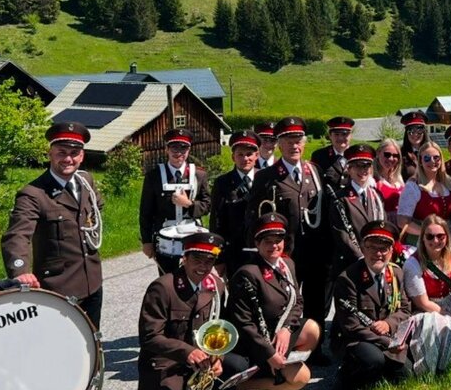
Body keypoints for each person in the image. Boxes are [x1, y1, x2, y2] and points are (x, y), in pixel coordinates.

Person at [132, 232, 249, 390]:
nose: (203, 266)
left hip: (198, 362)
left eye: (209, 261)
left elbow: (219, 326)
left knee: (238, 364)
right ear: (184, 258)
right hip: (166, 367)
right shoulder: (163, 287)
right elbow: (150, 337)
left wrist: (217, 356)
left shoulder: (216, 286)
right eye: (197, 259)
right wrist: (187, 352)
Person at [244, 117, 331, 364]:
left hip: (314, 252)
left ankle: (315, 349)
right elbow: (254, 218)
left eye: (298, 140)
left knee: (316, 303)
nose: (295, 146)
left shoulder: (314, 172)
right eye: (289, 141)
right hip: (284, 254)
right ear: (279, 144)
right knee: (283, 304)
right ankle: (281, 351)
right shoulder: (267, 176)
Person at [3, 122, 105, 328]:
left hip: (92, 281)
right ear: (50, 153)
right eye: (61, 152)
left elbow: (97, 206)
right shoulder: (33, 194)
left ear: (82, 156)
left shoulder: (86, 180)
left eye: (74, 153)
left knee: (93, 340)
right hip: (59, 288)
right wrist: (20, 271)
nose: (68, 159)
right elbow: (17, 235)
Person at [226, 214, 321, 390]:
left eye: (278, 241)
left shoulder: (287, 263)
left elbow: (297, 301)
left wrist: (287, 329)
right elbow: (244, 323)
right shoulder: (247, 273)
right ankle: (243, 386)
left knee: (312, 329)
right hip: (257, 341)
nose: (274, 246)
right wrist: (269, 353)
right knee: (301, 379)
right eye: (267, 241)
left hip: (279, 333)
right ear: (257, 243)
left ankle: (281, 374)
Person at [331, 221, 412, 390]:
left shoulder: (396, 274)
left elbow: (405, 310)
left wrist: (388, 324)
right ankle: (345, 380)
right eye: (372, 247)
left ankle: (377, 376)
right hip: (357, 340)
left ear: (391, 251)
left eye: (383, 249)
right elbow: (352, 327)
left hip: (387, 337)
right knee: (373, 360)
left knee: (406, 376)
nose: (378, 253)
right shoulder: (348, 279)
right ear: (363, 248)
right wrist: (388, 342)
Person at [403, 215, 451, 375]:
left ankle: (449, 367)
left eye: (440, 236)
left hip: (450, 305)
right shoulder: (413, 264)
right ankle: (429, 370)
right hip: (425, 312)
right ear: (422, 238)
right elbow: (423, 303)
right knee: (437, 325)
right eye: (430, 236)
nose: (435, 240)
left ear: (447, 237)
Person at [140, 129, 212, 274]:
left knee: (194, 276)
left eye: (183, 148)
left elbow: (208, 205)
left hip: (192, 236)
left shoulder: (199, 175)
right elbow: (145, 212)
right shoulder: (154, 176)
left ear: (189, 149)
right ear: (166, 149)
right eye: (174, 147)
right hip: (165, 239)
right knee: (167, 279)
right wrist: (147, 241)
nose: (178, 152)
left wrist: (189, 204)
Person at [328, 144, 387, 274]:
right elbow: (341, 234)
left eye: (366, 166)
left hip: (376, 260)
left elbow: (384, 227)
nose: (363, 170)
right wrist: (362, 258)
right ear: (349, 169)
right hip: (350, 264)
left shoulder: (377, 196)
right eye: (358, 166)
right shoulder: (340, 198)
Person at [397, 140, 451, 257]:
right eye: (427, 158)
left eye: (436, 158)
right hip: (422, 240)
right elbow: (402, 222)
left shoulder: (449, 183)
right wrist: (428, 233)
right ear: (420, 161)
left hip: (447, 237)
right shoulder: (413, 186)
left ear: (441, 160)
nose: (432, 161)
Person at [209, 130, 260, 275]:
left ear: (256, 156)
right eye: (240, 154)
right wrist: (218, 258)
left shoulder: (265, 178)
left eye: (249, 154)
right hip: (234, 252)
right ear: (233, 157)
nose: (245, 158)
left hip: (262, 250)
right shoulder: (222, 183)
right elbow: (216, 222)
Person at [311, 116, 355, 192]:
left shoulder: (357, 155)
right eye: (336, 134)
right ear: (330, 136)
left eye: (344, 134)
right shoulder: (319, 156)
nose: (340, 138)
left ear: (351, 136)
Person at [399, 111, 430, 181]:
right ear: (406, 133)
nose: (415, 134)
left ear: (424, 132)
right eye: (411, 131)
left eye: (419, 131)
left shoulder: (432, 151)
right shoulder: (400, 154)